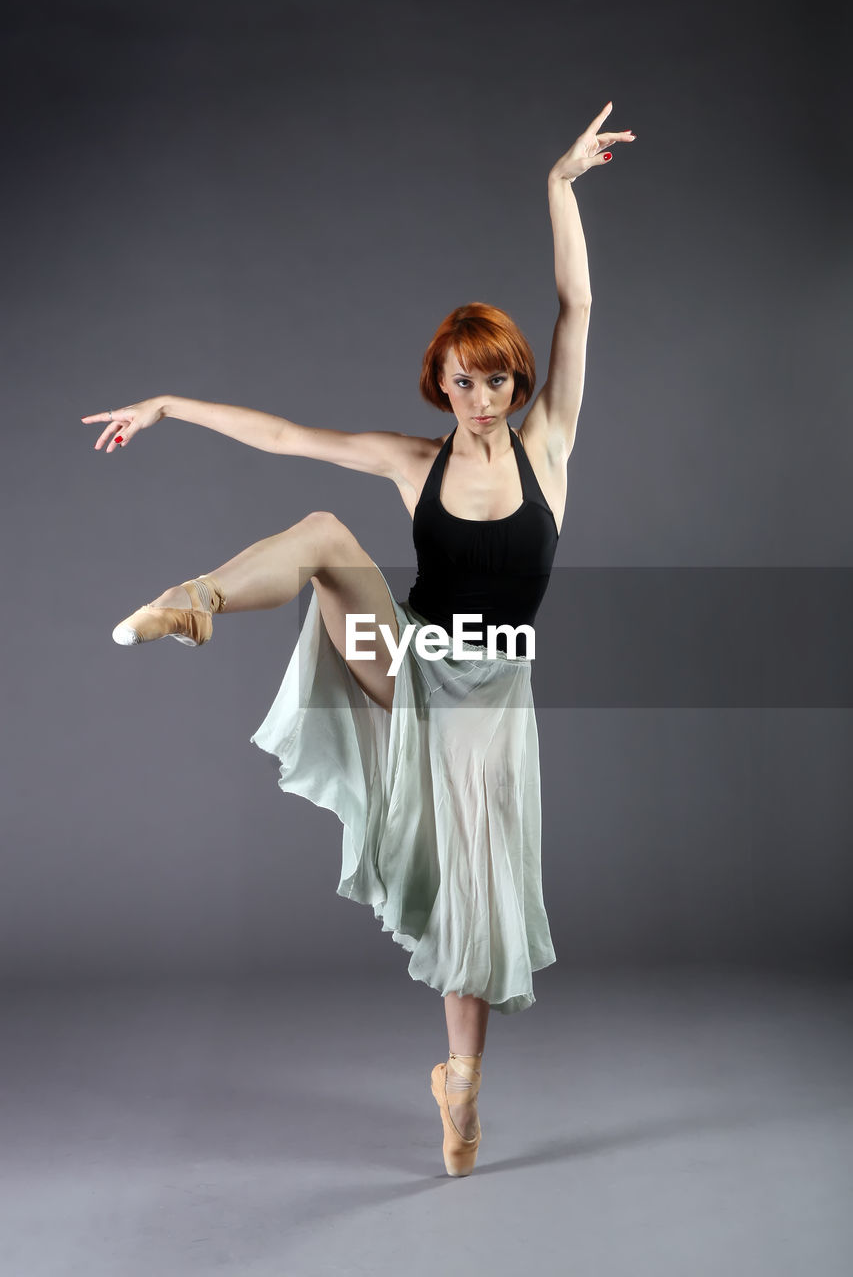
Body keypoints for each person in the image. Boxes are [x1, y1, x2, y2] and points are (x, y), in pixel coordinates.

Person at [82, 102, 635, 1177]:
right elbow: (288, 435)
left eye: (499, 379)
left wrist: (558, 185)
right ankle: (193, 600)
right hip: (409, 671)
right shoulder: (411, 460)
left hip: (492, 703)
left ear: (521, 384)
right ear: (441, 381)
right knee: (327, 534)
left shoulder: (549, 450)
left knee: (473, 898)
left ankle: (461, 1086)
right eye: (464, 380)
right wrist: (168, 404)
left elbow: (576, 302)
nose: (482, 397)